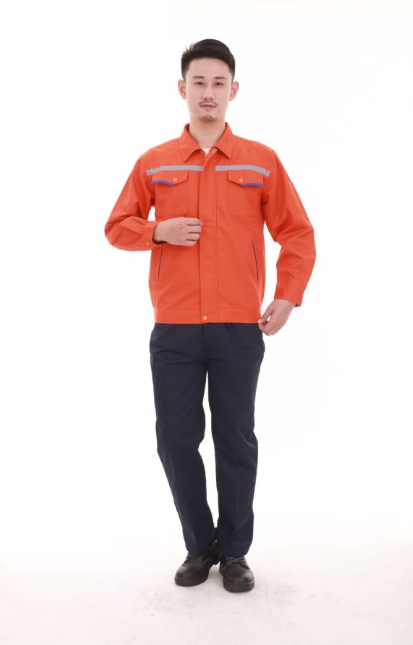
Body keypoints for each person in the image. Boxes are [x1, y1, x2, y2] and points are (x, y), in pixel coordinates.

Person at [104, 39, 316, 593]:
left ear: (233, 90)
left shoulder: (259, 161)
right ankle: (201, 546)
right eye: (198, 82)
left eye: (219, 83)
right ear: (182, 88)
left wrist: (288, 295)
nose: (208, 92)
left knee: (235, 440)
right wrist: (158, 230)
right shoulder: (155, 162)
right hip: (174, 325)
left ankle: (236, 551)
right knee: (175, 439)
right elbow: (117, 226)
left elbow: (296, 232)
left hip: (238, 326)